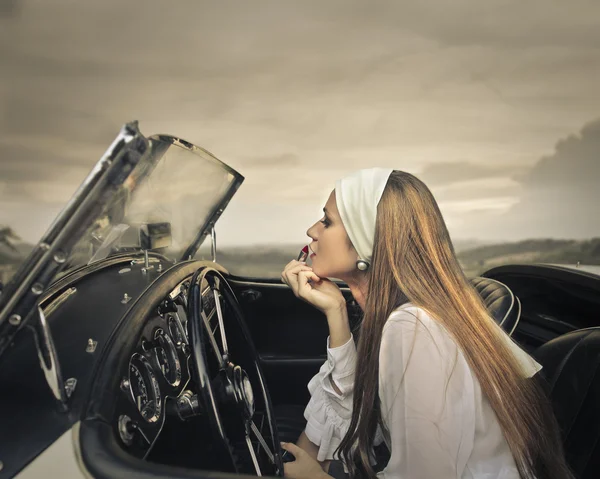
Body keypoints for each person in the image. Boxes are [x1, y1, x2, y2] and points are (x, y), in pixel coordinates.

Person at [280, 168, 573, 479]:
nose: (312, 230)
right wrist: (336, 312)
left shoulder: (413, 327)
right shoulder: (408, 315)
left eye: (327, 221)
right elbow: (355, 413)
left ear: (367, 238)